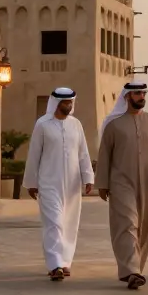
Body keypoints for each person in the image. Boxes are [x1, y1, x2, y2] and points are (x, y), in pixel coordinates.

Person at [97, 82, 148, 291]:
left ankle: (135, 267)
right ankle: (131, 270)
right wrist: (102, 183)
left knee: (144, 227)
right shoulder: (114, 125)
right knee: (128, 223)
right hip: (121, 182)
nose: (141, 96)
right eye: (137, 93)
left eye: (143, 93)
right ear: (127, 97)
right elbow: (104, 157)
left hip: (147, 183)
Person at [22, 87, 94, 281]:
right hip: (48, 182)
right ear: (56, 103)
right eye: (65, 102)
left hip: (72, 183)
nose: (68, 105)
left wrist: (88, 177)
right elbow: (34, 154)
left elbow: (83, 153)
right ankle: (55, 264)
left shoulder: (76, 124)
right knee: (54, 222)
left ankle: (65, 262)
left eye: (70, 102)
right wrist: (31, 182)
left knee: (69, 223)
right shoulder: (43, 124)